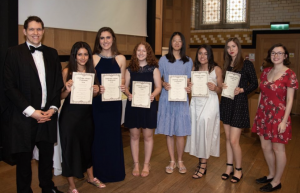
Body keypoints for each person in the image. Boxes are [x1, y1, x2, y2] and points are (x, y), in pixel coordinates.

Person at [3, 16, 64, 193]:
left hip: (47, 116)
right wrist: (31, 111)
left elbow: (56, 84)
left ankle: (47, 188)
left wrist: (52, 109)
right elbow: (9, 87)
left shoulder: (52, 53)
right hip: (24, 117)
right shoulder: (13, 53)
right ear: (24, 31)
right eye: (31, 29)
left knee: (47, 157)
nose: (35, 33)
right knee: (23, 161)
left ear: (43, 32)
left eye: (39, 29)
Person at [59, 42, 105, 193]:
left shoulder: (92, 72)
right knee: (70, 149)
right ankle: (72, 186)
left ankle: (91, 178)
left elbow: (92, 95)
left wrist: (98, 90)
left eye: (86, 54)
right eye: (80, 54)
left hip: (86, 116)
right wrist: (66, 89)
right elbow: (60, 96)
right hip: (69, 117)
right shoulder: (67, 72)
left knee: (87, 147)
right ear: (74, 56)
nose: (83, 57)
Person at [252, 43, 298, 192]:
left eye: (279, 53)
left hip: (279, 115)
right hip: (263, 114)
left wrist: (284, 121)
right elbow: (262, 94)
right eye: (273, 53)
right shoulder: (265, 72)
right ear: (270, 55)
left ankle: (277, 181)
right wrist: (258, 114)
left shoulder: (290, 74)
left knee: (278, 149)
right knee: (265, 147)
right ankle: (271, 174)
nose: (276, 55)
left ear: (285, 56)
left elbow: (290, 100)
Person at [220, 37, 258, 183]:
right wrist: (223, 85)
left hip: (239, 104)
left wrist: (243, 89)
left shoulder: (246, 64)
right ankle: (229, 167)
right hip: (227, 103)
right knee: (228, 139)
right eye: (228, 47)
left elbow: (254, 83)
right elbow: (225, 83)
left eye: (233, 46)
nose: (231, 49)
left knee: (235, 140)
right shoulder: (226, 65)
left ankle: (239, 170)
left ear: (238, 47)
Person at [155, 32, 193, 174]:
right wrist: (164, 83)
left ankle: (180, 160)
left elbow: (189, 80)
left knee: (181, 131)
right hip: (167, 98)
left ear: (182, 43)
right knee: (170, 131)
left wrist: (189, 86)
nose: (177, 43)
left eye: (179, 41)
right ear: (171, 43)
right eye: (174, 41)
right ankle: (172, 160)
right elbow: (159, 79)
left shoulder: (188, 61)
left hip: (182, 98)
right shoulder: (163, 60)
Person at [92, 27, 126, 182]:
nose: (105, 41)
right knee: (99, 136)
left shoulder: (121, 59)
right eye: (102, 38)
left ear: (113, 39)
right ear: (98, 40)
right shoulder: (93, 58)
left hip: (114, 103)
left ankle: (115, 172)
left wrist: (123, 86)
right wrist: (97, 88)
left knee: (113, 135)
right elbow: (91, 83)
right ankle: (99, 173)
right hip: (98, 103)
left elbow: (123, 80)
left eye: (108, 37)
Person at [124, 42, 162, 177]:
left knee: (148, 136)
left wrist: (153, 94)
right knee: (134, 136)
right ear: (135, 53)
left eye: (144, 51)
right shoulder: (129, 69)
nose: (141, 53)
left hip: (148, 105)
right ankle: (136, 164)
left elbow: (159, 86)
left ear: (148, 53)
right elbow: (126, 87)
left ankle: (146, 164)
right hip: (133, 106)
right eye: (138, 50)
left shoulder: (154, 69)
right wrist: (128, 94)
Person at [184, 44, 223, 179]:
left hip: (210, 102)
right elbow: (189, 85)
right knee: (198, 132)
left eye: (205, 53)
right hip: (195, 102)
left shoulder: (216, 69)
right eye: (200, 53)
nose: (202, 56)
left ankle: (203, 164)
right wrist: (188, 87)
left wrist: (215, 88)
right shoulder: (194, 68)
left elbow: (221, 89)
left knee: (206, 131)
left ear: (210, 55)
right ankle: (201, 161)